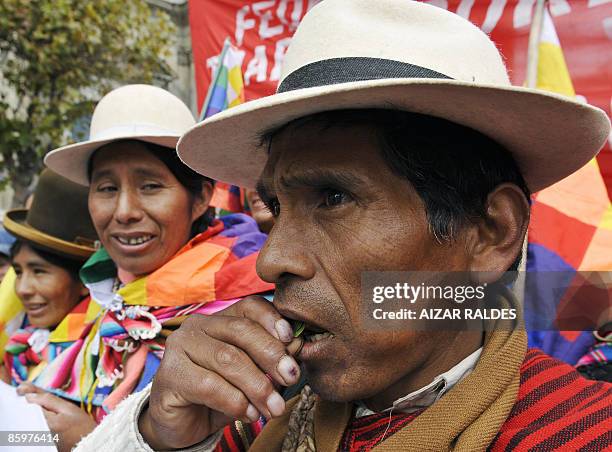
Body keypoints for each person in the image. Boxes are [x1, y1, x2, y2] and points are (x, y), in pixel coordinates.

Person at [75, 1, 611, 451]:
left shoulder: (583, 433)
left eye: (333, 197)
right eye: (276, 207)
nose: (270, 259)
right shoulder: (243, 417)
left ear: (490, 232)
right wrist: (161, 435)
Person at [28, 84, 273, 450]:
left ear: (201, 197)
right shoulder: (102, 302)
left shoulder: (252, 312)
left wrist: (90, 441)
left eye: (150, 186)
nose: (124, 211)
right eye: (107, 189)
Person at [1, 169, 100, 447]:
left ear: (84, 279)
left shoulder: (107, 357)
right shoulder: (21, 349)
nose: (22, 289)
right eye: (18, 271)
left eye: (39, 272)